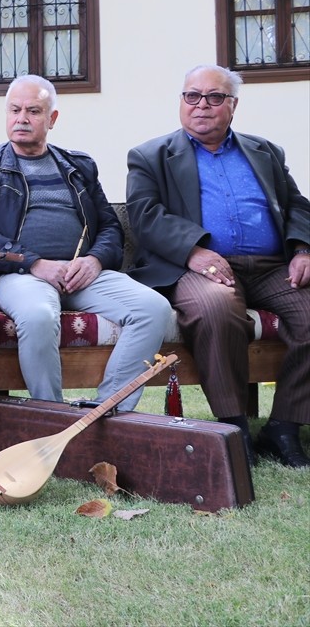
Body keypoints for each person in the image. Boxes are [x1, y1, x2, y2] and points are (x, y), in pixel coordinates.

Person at [126, 63, 309, 467]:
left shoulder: (265, 151)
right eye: (192, 95)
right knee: (215, 309)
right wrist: (194, 250)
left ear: (233, 105)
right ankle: (233, 428)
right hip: (197, 268)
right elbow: (144, 215)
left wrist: (301, 250)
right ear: (181, 101)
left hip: (272, 266)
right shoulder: (150, 156)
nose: (202, 105)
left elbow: (297, 204)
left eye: (214, 97)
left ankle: (285, 426)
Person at [0, 74, 171, 410]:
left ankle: (109, 410)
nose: (22, 119)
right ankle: (53, 415)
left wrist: (95, 260)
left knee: (154, 309)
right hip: (21, 274)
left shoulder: (79, 166)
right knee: (40, 316)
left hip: (82, 273)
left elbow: (110, 228)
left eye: (33, 111)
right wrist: (34, 263)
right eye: (14, 110)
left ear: (52, 118)